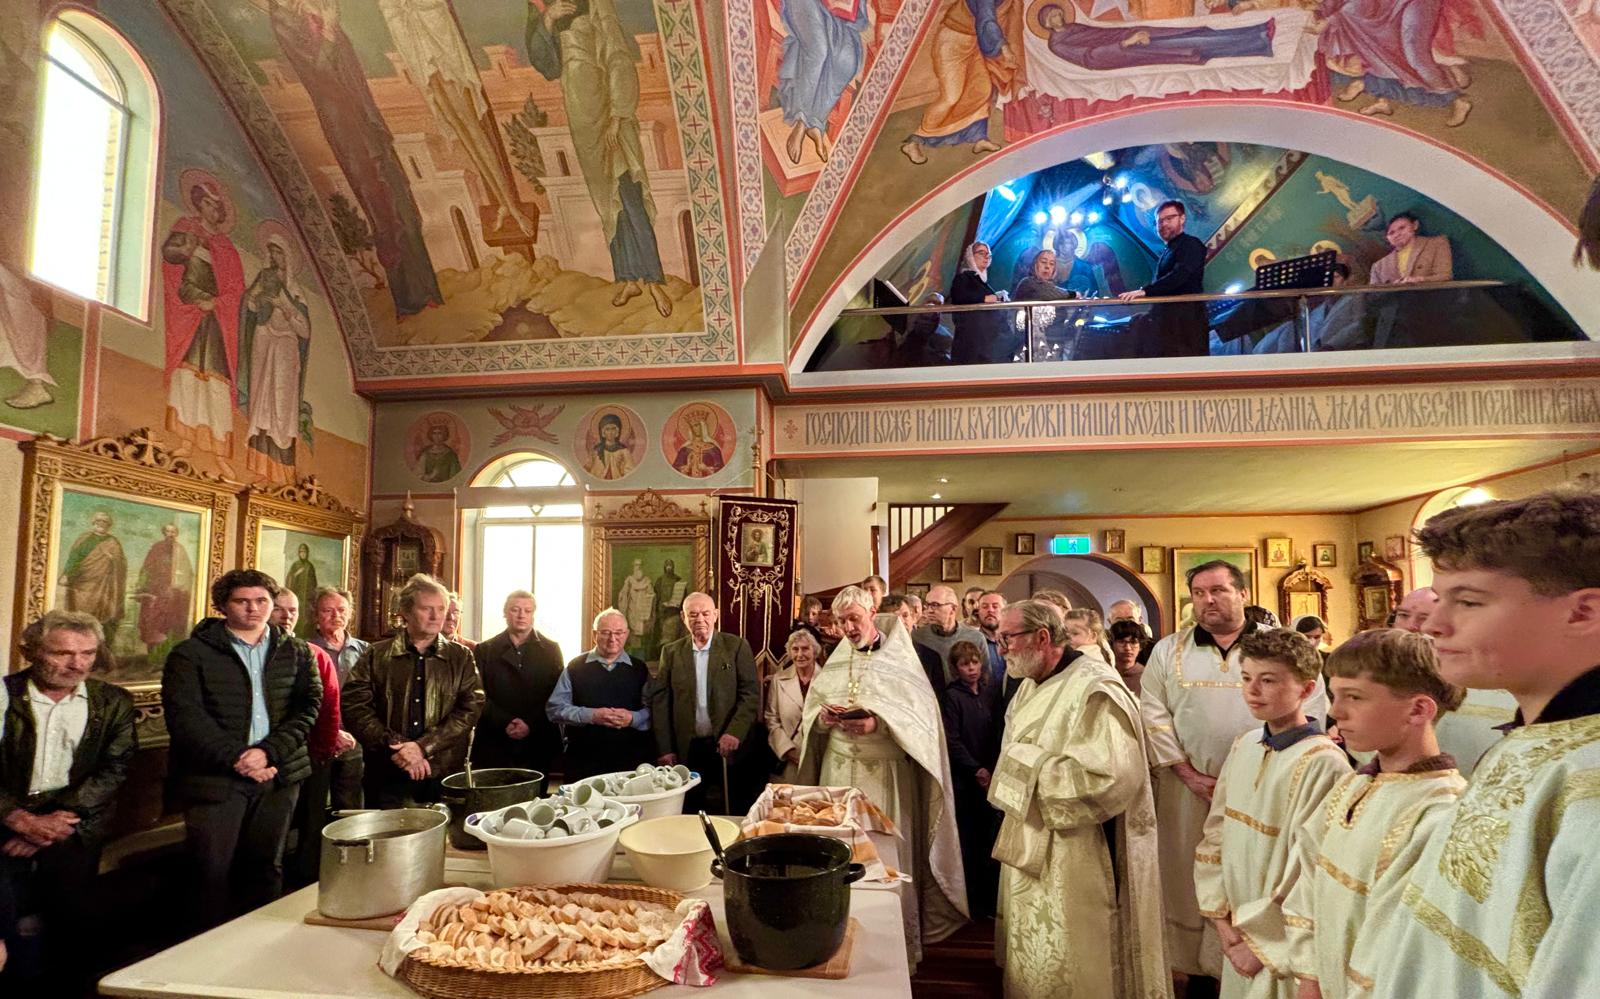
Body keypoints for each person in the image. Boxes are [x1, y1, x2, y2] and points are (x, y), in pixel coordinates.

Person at [1367, 488, 1600, 998]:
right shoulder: (1536, 738)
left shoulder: (1590, 783)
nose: (1433, 624)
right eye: (1439, 599)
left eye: (1468, 602)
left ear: (1583, 612)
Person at [1143, 560, 1328, 987]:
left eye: (1219, 590)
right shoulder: (1168, 650)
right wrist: (1187, 773)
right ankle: (1199, 971)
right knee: (1190, 874)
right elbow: (1152, 713)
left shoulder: (1280, 646)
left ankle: (1259, 963)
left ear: (1243, 593)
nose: (1208, 600)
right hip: (1187, 790)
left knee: (1256, 871)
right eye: (1199, 593)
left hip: (1267, 785)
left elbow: (1311, 705)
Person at [989, 599, 1169, 997]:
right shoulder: (1029, 684)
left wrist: (1025, 767)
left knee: (1075, 954)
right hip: (1031, 838)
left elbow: (1111, 778)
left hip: (1078, 847)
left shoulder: (1095, 689)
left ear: (1041, 637)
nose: (1001, 650)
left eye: (1008, 639)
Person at [1276, 629, 1465, 999]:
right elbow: (1309, 882)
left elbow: (1400, 950)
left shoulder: (1441, 812)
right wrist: (1309, 976)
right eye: (1334, 695)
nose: (1335, 711)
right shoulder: (1354, 786)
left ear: (1418, 709)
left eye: (1354, 697)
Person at [798, 586, 968, 965]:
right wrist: (822, 720)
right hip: (837, 774)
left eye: (854, 619)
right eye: (841, 621)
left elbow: (921, 722)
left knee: (883, 858)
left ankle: (892, 949)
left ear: (872, 613)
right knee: (840, 856)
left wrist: (880, 724)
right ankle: (835, 935)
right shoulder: (838, 659)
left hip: (885, 775)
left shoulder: (901, 661)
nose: (848, 628)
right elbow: (811, 715)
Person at [1194, 630, 1351, 999]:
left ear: (1306, 688)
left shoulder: (1324, 764)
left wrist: (1261, 943)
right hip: (1235, 927)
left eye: (1268, 680)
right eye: (1246, 678)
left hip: (1283, 946)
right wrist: (1222, 920)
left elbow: (1311, 868)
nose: (1252, 690)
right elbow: (1216, 831)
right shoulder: (1245, 745)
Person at [162, 569, 321, 929]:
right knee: (210, 872)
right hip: (214, 779)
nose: (253, 608)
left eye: (262, 600)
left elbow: (308, 708)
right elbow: (187, 718)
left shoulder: (296, 651)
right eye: (242, 601)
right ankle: (207, 952)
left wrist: (268, 753)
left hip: (278, 775)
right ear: (223, 605)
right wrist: (239, 757)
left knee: (265, 867)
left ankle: (259, 945)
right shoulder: (190, 654)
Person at [0, 611, 136, 990]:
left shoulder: (112, 701)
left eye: (88, 653)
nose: (77, 664)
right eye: (62, 653)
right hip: (6, 825)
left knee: (72, 935)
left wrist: (52, 824)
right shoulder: (5, 695)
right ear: (31, 651)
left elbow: (115, 768)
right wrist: (18, 819)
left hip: (74, 828)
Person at [525, 0, 673, 317]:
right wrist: (548, 19)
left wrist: (618, 114)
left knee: (629, 193)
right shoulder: (543, 5)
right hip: (581, 114)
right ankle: (628, 277)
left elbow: (617, 55)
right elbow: (548, 67)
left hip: (608, 108)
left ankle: (654, 281)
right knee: (606, 200)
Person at [341, 574, 484, 808]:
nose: (436, 616)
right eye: (427, 609)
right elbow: (355, 707)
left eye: (441, 609)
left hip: (443, 771)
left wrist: (423, 747)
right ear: (406, 612)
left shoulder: (461, 657)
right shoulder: (376, 654)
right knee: (388, 831)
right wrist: (398, 747)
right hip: (387, 771)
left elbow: (470, 709)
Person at [650, 593, 760, 813]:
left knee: (731, 809)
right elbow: (661, 703)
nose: (699, 619)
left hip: (727, 745)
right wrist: (665, 748)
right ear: (683, 618)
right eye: (693, 614)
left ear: (715, 615)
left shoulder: (736, 646)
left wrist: (734, 733)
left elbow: (750, 695)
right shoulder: (671, 652)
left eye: (705, 613)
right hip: (688, 748)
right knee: (690, 811)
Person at [269, 590, 348, 887]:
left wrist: (324, 748)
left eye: (292, 610)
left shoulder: (313, 654)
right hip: (269, 756)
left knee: (313, 821)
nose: (286, 616)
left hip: (311, 752)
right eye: (279, 609)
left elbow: (328, 706)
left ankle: (307, 880)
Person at [237, 229, 311, 484]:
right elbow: (249, 306)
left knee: (281, 402)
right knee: (261, 395)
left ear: (287, 256)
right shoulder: (264, 278)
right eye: (272, 252)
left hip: (285, 347)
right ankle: (259, 460)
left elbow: (305, 330)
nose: (275, 257)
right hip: (263, 339)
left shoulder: (295, 291)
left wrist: (284, 306)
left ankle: (281, 466)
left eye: (279, 252)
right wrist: (255, 299)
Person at [548, 609, 652, 780]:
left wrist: (633, 718)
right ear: (595, 635)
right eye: (606, 632)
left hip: (630, 760)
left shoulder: (640, 669)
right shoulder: (575, 667)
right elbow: (555, 709)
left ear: (626, 634)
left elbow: (653, 710)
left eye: (618, 633)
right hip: (583, 759)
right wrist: (592, 716)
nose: (613, 638)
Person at [941, 640, 1001, 919]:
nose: (972, 668)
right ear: (956, 668)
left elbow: (998, 730)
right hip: (966, 779)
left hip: (991, 773)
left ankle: (990, 900)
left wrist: (991, 767)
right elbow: (952, 739)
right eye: (965, 665)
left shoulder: (989, 692)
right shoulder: (952, 696)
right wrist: (976, 769)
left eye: (975, 662)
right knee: (970, 842)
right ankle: (973, 903)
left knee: (990, 840)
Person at [475, 591, 564, 774]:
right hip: (495, 739)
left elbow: (557, 695)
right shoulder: (485, 650)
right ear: (505, 613)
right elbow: (477, 694)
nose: (521, 615)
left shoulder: (551, 650)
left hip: (538, 739)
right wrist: (505, 722)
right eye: (515, 610)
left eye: (527, 610)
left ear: (533, 614)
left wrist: (530, 723)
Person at [1118, 200, 1209, 357]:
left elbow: (1180, 275)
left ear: (1182, 218)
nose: (1164, 224)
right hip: (1168, 325)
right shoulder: (1168, 250)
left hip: (1186, 325)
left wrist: (1145, 291)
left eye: (1169, 218)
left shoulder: (1191, 244)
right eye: (1160, 221)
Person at [309, 587, 366, 811]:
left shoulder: (365, 651)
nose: (336, 616)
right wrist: (331, 732)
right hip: (317, 739)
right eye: (328, 610)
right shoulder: (306, 651)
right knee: (314, 805)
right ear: (316, 614)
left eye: (342, 610)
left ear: (350, 613)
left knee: (351, 808)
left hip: (355, 741)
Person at [59, 510, 126, 640]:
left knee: (102, 614)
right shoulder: (85, 538)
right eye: (99, 521)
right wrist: (66, 574)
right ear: (94, 523)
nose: (101, 524)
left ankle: (97, 638)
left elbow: (121, 563)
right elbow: (74, 557)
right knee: (81, 612)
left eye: (105, 522)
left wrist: (112, 558)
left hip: (104, 584)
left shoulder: (113, 542)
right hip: (83, 581)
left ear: (109, 525)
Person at [765, 629, 823, 782]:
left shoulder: (828, 679)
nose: (800, 654)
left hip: (817, 759)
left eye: (805, 648)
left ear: (815, 651)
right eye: (795, 649)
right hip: (787, 760)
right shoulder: (778, 680)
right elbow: (771, 719)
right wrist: (787, 750)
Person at [949, 242, 1018, 364]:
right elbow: (959, 296)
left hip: (988, 346)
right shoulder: (963, 278)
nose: (986, 257)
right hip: (972, 345)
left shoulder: (983, 283)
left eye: (988, 254)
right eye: (981, 253)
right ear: (970, 256)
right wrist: (985, 298)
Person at [133, 523, 195, 650]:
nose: (170, 534)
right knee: (153, 622)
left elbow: (188, 571)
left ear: (176, 534)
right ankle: (153, 653)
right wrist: (143, 584)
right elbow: (147, 567)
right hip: (155, 590)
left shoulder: (180, 550)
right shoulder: (157, 547)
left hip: (174, 593)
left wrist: (180, 578)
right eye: (168, 531)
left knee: (171, 622)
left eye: (173, 532)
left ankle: (169, 653)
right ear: (164, 532)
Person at [915, 585, 987, 685]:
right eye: (927, 605)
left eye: (935, 605)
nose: (929, 610)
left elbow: (985, 678)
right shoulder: (917, 637)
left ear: (953, 608)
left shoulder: (976, 638)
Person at [880, 594, 948, 697]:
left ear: (913, 618)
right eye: (895, 618)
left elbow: (939, 699)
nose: (902, 622)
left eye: (905, 615)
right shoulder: (876, 656)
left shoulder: (930, 657)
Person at [1369, 213, 1453, 285]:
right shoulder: (1379, 266)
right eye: (1391, 233)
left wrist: (1420, 279)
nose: (1397, 234)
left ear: (1415, 225)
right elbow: (1373, 295)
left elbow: (1445, 276)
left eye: (1402, 228)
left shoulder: (1436, 244)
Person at [616, 559, 656, 645]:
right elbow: (623, 594)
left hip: (644, 611)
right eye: (636, 565)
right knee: (633, 635)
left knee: (643, 635)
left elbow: (652, 595)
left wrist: (649, 598)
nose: (638, 567)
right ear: (633, 567)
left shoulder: (647, 581)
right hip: (632, 611)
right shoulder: (629, 580)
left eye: (640, 565)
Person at [973, 591, 1008, 685]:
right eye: (985, 607)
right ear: (978, 612)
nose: (990, 610)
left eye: (995, 606)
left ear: (1005, 611)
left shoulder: (1015, 640)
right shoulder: (971, 643)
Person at [283, 545, 317, 640]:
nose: (303, 554)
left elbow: (313, 582)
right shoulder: (296, 565)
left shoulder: (310, 566)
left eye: (304, 552)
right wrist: (297, 573)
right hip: (297, 596)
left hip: (307, 598)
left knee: (307, 618)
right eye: (301, 552)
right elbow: (290, 579)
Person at [586, 413, 634, 480]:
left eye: (613, 429)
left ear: (617, 431)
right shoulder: (596, 451)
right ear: (603, 432)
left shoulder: (623, 451)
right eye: (607, 429)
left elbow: (629, 470)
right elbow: (588, 468)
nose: (610, 432)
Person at [1109, 619, 1150, 693]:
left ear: (1140, 646)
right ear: (1111, 645)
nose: (1127, 648)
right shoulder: (1106, 673)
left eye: (1133, 642)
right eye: (1121, 642)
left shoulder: (1148, 676)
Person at [655, 560, 687, 647]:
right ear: (664, 567)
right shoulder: (660, 580)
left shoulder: (678, 580)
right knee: (663, 630)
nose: (669, 567)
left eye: (670, 565)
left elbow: (683, 596)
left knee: (674, 631)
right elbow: (657, 596)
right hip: (663, 610)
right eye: (667, 565)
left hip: (674, 610)